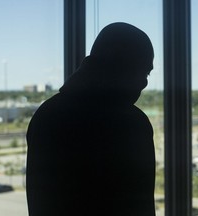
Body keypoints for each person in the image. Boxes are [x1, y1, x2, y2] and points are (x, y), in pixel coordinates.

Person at [26, 22, 156, 216]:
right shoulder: (130, 123)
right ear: (123, 64)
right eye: (144, 70)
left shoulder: (47, 113)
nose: (145, 82)